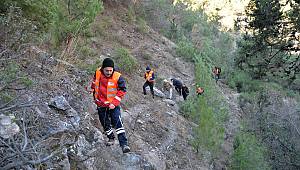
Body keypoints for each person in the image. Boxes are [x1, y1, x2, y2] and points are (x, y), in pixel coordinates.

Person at [91, 58, 130, 153]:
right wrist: (92, 89)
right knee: (105, 123)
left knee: (117, 121)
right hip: (101, 103)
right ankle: (111, 138)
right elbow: (94, 82)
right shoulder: (97, 73)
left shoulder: (118, 77)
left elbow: (122, 90)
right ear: (102, 69)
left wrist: (114, 103)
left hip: (113, 104)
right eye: (106, 70)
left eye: (110, 70)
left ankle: (124, 144)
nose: (109, 72)